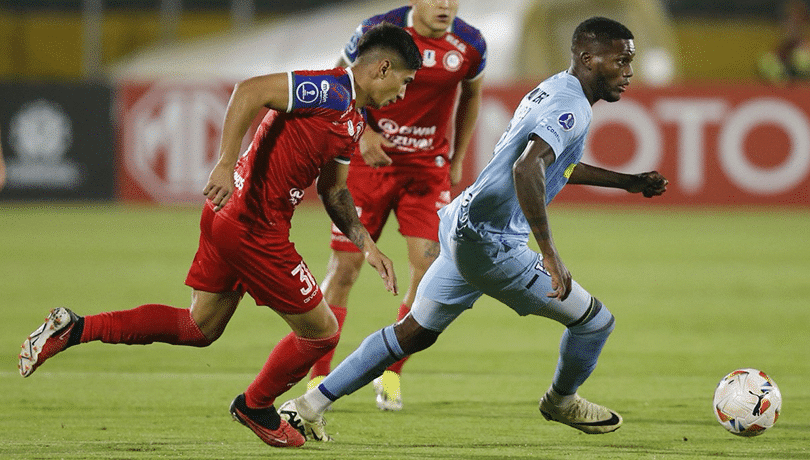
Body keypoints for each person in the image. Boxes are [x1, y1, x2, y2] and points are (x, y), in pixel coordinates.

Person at [18, 23, 421, 448]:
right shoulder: (330, 90)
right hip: (253, 226)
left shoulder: (353, 121)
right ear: (382, 68)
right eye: (405, 82)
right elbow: (249, 91)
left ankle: (74, 328)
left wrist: (367, 245)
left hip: (229, 219)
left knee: (199, 327)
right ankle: (256, 405)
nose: (404, 93)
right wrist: (225, 163)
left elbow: (334, 191)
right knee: (322, 332)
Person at [278, 16, 669, 441]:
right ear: (589, 58)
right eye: (622, 61)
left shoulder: (555, 88)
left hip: (463, 226)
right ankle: (560, 400)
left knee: (412, 333)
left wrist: (626, 182)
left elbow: (551, 163)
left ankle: (307, 405)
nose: (630, 71)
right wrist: (550, 254)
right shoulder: (570, 106)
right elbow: (527, 168)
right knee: (595, 323)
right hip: (493, 244)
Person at [310, 0, 486, 412]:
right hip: (368, 165)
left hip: (426, 172)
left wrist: (458, 157)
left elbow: (471, 96)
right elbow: (340, 76)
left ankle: (391, 372)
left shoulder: (472, 44)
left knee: (428, 276)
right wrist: (365, 133)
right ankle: (318, 373)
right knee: (344, 270)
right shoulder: (379, 28)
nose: (445, 5)